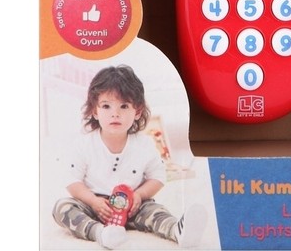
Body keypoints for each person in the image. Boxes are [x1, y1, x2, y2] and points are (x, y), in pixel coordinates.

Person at [52, 64, 206, 249]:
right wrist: (93, 201)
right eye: (106, 106)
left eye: (124, 106)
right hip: (95, 206)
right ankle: (100, 233)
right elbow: (72, 181)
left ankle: (177, 231)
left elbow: (158, 177)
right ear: (94, 111)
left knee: (154, 210)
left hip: (133, 205)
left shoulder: (144, 144)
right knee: (62, 207)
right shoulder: (84, 144)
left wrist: (140, 195)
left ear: (137, 111)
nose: (115, 114)